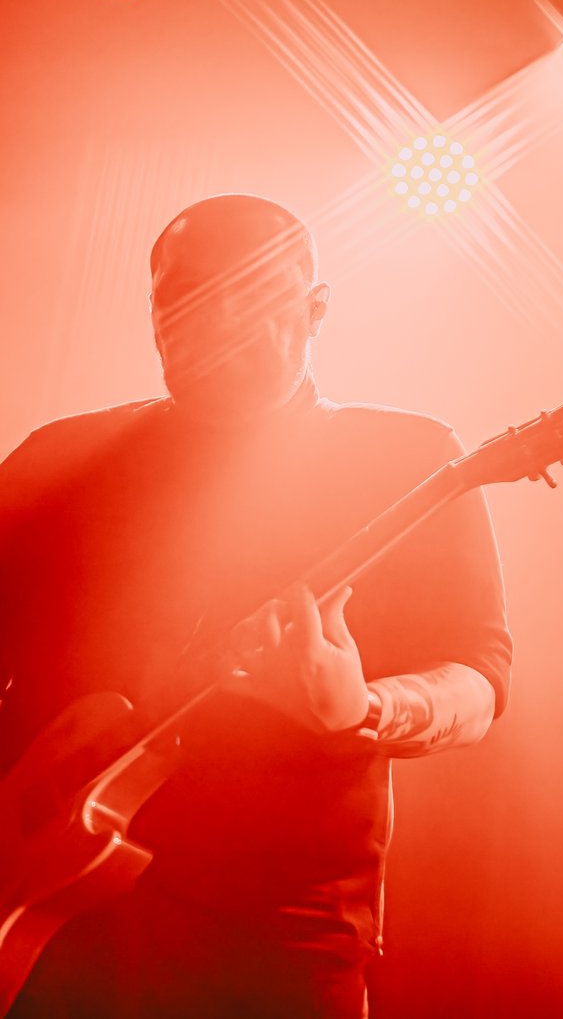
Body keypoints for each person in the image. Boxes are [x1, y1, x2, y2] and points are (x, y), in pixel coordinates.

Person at [0, 195, 512, 1018]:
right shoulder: (58, 456)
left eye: (253, 293)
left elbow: (479, 677)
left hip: (276, 942)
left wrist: (363, 707)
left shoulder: (406, 459)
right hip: (44, 927)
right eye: (184, 294)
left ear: (316, 311)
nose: (217, 320)